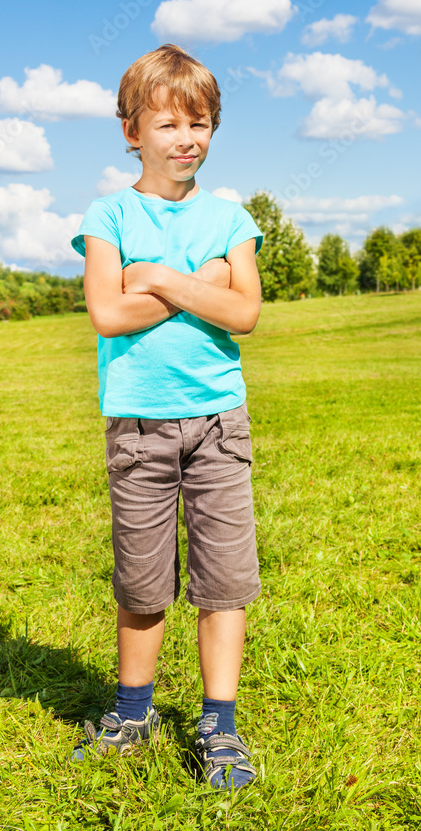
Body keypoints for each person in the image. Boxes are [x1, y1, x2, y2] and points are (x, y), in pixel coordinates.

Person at [69, 44, 263, 790]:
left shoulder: (231, 216)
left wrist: (155, 277)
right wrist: (190, 281)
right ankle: (133, 710)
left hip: (218, 422)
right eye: (169, 124)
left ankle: (219, 724)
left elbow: (242, 312)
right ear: (131, 131)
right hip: (138, 427)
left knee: (224, 581)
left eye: (201, 124)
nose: (186, 139)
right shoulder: (108, 214)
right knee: (142, 583)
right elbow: (108, 314)